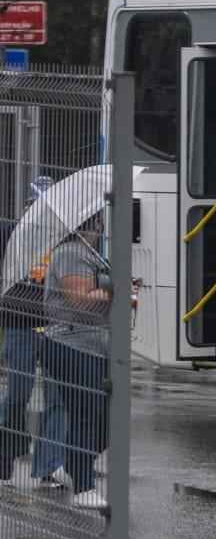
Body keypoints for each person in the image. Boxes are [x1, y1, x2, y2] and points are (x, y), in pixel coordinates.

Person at [41, 211, 112, 511]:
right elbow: (79, 299)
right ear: (94, 223)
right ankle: (84, 485)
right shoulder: (70, 252)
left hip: (93, 347)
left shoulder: (87, 252)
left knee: (104, 418)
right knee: (86, 412)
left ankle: (73, 462)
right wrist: (114, 289)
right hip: (71, 346)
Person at [0, 208, 66, 490]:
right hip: (19, 325)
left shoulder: (64, 241)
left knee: (59, 399)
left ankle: (47, 469)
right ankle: (3, 465)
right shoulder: (9, 234)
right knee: (17, 396)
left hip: (55, 327)